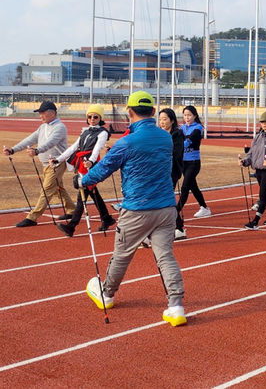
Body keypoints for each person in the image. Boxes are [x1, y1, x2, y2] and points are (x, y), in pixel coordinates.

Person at [80, 91, 187, 326]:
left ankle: (107, 293)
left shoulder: (126, 142)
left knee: (122, 254)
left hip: (137, 208)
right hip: (166, 207)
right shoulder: (165, 138)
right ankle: (176, 306)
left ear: (129, 112)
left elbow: (103, 169)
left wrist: (84, 180)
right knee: (165, 256)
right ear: (152, 111)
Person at [3, 100, 75, 227]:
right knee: (58, 189)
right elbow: (30, 139)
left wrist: (37, 151)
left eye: (42, 113)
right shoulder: (43, 127)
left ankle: (32, 217)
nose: (40, 116)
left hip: (57, 163)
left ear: (52, 113)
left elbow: (51, 142)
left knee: (47, 190)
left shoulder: (60, 127)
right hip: (46, 165)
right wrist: (13, 149)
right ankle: (72, 210)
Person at [53, 105, 115, 237]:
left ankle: (71, 226)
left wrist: (91, 162)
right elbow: (74, 147)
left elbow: (97, 149)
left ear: (100, 118)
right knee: (92, 193)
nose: (92, 119)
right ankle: (107, 218)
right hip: (81, 165)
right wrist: (58, 160)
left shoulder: (103, 133)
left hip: (91, 166)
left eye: (95, 117)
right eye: (89, 116)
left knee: (83, 194)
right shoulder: (85, 132)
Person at [240, 110, 266, 229]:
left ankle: (255, 221)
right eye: (262, 122)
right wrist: (244, 162)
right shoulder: (257, 137)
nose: (264, 124)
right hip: (258, 171)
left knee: (263, 195)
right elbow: (251, 154)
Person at [177, 105, 211, 221]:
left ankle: (176, 210)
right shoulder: (181, 128)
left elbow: (189, 141)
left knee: (185, 186)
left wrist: (178, 144)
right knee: (193, 187)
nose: (187, 117)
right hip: (183, 162)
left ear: (194, 116)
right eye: (185, 115)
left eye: (189, 115)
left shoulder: (198, 128)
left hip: (193, 162)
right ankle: (205, 207)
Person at [158, 108, 186, 239]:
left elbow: (175, 153)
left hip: (171, 172)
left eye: (165, 119)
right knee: (165, 200)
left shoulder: (177, 135)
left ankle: (178, 227)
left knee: (165, 200)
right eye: (160, 119)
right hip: (159, 171)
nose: (162, 122)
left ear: (172, 120)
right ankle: (178, 227)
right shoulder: (159, 134)